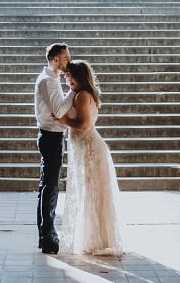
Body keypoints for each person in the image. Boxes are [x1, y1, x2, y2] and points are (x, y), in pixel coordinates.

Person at [52, 59, 124, 256]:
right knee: (90, 193)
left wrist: (63, 120)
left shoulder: (83, 95)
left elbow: (83, 126)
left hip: (91, 149)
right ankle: (94, 238)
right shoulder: (78, 93)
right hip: (86, 148)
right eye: (67, 76)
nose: (67, 79)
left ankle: (95, 240)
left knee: (92, 194)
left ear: (79, 76)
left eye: (70, 75)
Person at [35, 42, 73, 254]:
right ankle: (48, 237)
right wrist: (73, 92)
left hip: (50, 136)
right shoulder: (48, 81)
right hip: (51, 137)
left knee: (46, 188)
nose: (69, 61)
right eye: (66, 57)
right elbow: (58, 109)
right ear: (55, 59)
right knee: (50, 188)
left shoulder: (51, 79)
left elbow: (58, 111)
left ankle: (45, 235)